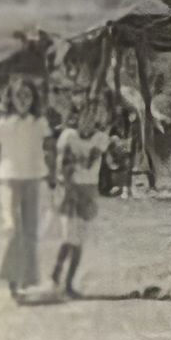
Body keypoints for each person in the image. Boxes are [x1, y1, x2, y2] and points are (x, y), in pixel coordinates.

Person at [0, 77, 53, 302]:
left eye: (28, 96)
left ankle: (26, 279)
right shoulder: (1, 125)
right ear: (11, 99)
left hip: (33, 179)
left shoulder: (39, 124)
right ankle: (12, 281)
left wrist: (53, 177)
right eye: (19, 96)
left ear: (33, 99)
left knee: (31, 231)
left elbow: (49, 152)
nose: (24, 100)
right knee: (13, 228)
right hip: (9, 180)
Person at [51, 100, 111, 298]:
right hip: (70, 189)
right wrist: (66, 182)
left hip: (88, 191)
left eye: (93, 117)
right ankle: (57, 273)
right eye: (85, 116)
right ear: (79, 117)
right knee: (69, 237)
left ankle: (67, 283)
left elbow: (90, 162)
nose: (88, 121)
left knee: (79, 241)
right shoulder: (68, 136)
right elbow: (62, 166)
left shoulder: (101, 138)